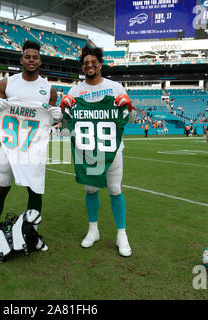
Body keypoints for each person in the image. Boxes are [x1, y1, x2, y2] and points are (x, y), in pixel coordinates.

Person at [0, 40, 61, 254]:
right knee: (1, 187)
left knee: (34, 189)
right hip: (10, 147)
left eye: (35, 57)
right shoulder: (7, 83)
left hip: (34, 149)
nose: (31, 60)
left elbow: (51, 121)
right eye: (27, 57)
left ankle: (32, 234)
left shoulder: (49, 89)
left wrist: (57, 117)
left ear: (40, 61)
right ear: (21, 59)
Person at [59, 45, 135, 257]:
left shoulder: (115, 88)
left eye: (93, 62)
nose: (90, 66)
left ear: (100, 64)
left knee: (115, 190)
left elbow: (131, 119)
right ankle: (93, 230)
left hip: (112, 149)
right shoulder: (75, 91)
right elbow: (66, 126)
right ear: (82, 68)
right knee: (90, 190)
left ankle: (122, 235)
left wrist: (129, 107)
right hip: (88, 150)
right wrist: (64, 111)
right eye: (86, 64)